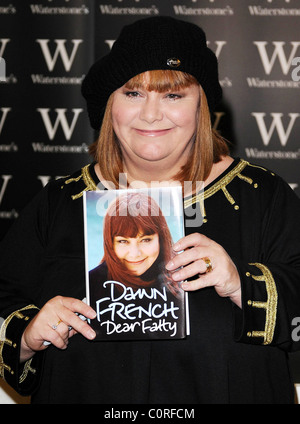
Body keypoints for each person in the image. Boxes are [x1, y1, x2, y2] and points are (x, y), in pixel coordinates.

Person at [0, 16, 300, 404]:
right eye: (133, 93)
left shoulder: (263, 195)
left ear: (201, 106)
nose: (151, 114)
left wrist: (242, 284)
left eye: (173, 95)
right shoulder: (61, 201)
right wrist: (26, 336)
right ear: (110, 105)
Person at [87, 191, 185, 340]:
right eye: (123, 241)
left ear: (161, 238)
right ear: (110, 243)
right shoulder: (92, 285)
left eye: (145, 240)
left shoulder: (182, 278)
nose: (134, 254)